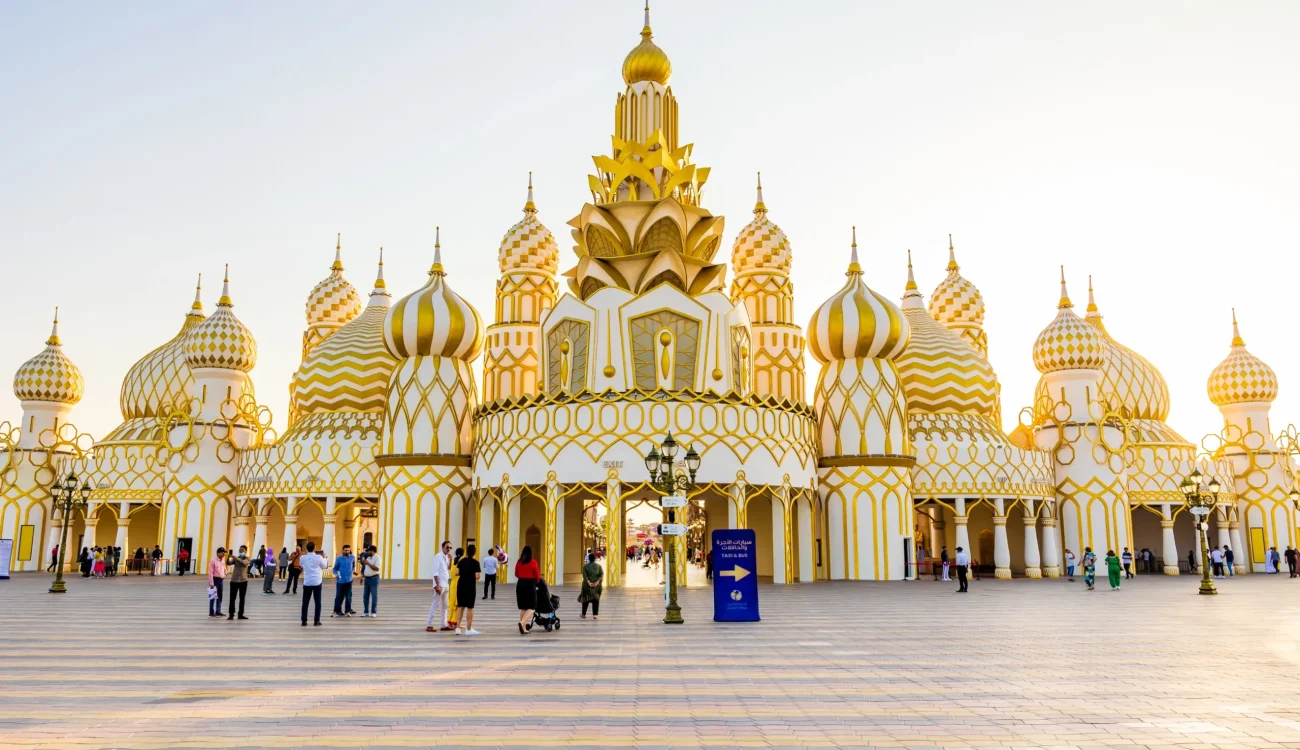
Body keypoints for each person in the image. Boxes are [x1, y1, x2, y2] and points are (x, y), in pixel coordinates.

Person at [299, 542, 329, 626]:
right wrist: (325, 558)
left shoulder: (302, 557)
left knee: (305, 602)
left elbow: (301, 565)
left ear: (306, 548)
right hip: (317, 581)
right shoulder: (319, 557)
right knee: (317, 602)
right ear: (314, 548)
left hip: (307, 581)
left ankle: (304, 621)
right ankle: (316, 620)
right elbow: (325, 566)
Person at [455, 544, 482, 635]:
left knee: (460, 606)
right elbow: (477, 576)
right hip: (470, 585)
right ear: (474, 552)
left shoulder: (461, 561)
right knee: (470, 607)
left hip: (461, 584)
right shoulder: (476, 562)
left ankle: (458, 628)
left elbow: (456, 573)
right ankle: (469, 628)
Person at [426, 541, 453, 633]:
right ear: (442, 547)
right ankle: (429, 625)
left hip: (446, 584)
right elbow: (435, 571)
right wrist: (437, 585)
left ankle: (444, 624)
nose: (448, 549)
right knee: (435, 604)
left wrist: (451, 559)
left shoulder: (446, 557)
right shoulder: (438, 557)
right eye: (447, 547)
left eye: (450, 548)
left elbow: (448, 569)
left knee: (445, 605)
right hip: (440, 584)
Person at [515, 545, 541, 634]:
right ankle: (522, 622)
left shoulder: (519, 562)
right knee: (532, 607)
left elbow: (516, 574)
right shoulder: (533, 562)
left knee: (523, 607)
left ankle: (524, 627)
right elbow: (537, 576)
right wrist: (536, 581)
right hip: (530, 584)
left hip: (520, 584)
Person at [226, 545, 251, 620]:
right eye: (239, 550)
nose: (240, 551)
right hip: (234, 581)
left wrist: (234, 557)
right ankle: (231, 614)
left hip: (243, 581)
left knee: (242, 598)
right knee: (232, 598)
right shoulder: (236, 558)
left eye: (242, 550)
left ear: (245, 551)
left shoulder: (247, 558)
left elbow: (243, 563)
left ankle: (240, 614)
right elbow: (228, 563)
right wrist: (228, 557)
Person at [331, 544, 356, 617]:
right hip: (340, 580)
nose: (347, 551)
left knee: (348, 596)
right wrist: (335, 574)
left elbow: (353, 565)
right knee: (339, 596)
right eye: (345, 550)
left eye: (348, 550)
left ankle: (348, 611)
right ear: (343, 550)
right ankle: (336, 610)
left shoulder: (352, 557)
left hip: (349, 580)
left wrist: (352, 571)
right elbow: (334, 568)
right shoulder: (339, 558)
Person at [580, 552, 604, 618]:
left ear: (589, 559)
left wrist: (589, 583)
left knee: (585, 599)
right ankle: (595, 615)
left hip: (587, 587)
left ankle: (583, 614)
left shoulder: (585, 567)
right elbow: (601, 575)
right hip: (596, 587)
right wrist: (596, 582)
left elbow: (585, 576)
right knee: (596, 599)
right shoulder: (599, 567)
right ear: (595, 559)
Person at [360, 544, 381, 617]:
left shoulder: (377, 558)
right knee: (365, 596)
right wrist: (362, 577)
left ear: (372, 551)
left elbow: (376, 569)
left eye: (368, 551)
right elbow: (365, 568)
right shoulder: (368, 558)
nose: (367, 552)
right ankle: (366, 611)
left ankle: (373, 612)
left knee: (374, 596)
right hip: (367, 579)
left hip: (374, 578)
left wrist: (368, 563)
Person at [207, 547, 227, 617]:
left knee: (220, 596)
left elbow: (225, 569)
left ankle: (218, 610)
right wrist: (211, 583)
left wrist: (225, 574)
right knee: (213, 596)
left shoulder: (222, 561)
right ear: (218, 553)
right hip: (215, 580)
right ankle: (211, 612)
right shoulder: (213, 561)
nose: (223, 554)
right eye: (222, 552)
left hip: (221, 580)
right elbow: (210, 572)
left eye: (224, 552)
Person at [447, 547, 463, 629]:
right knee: (458, 605)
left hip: (452, 584)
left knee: (452, 604)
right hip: (459, 584)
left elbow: (450, 569)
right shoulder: (461, 562)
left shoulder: (453, 561)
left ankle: (451, 621)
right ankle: (455, 622)